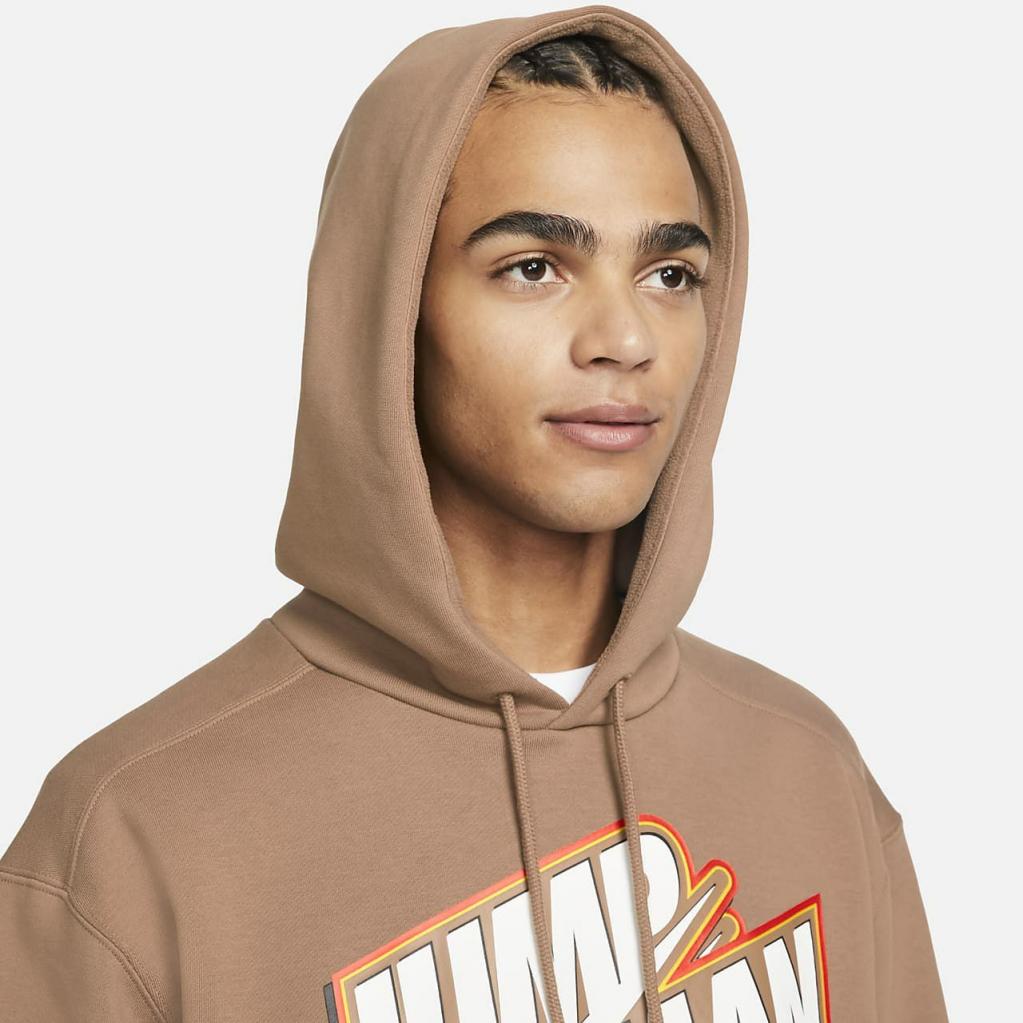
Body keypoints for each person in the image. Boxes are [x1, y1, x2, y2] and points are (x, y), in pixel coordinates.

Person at [0, 6, 948, 1022]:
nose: (626, 338)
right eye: (533, 266)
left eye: (670, 274)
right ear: (389, 304)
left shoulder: (809, 771)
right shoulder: (138, 835)